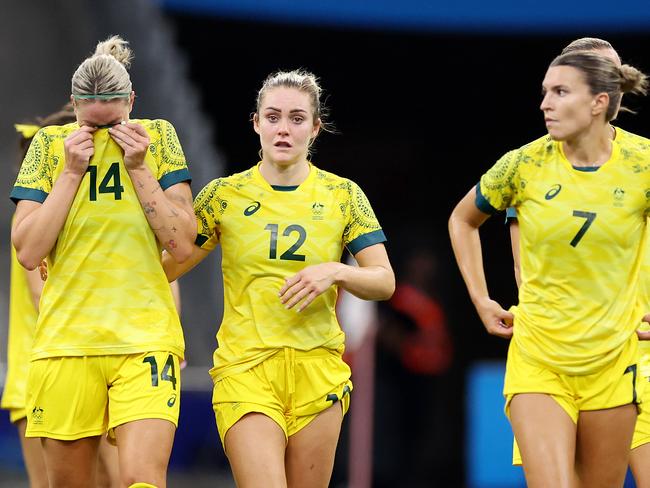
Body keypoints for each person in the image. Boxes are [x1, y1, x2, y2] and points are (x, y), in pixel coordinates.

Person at [163, 68, 395, 487]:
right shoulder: (223, 196)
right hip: (246, 368)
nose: (283, 129)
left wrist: (337, 271)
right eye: (272, 117)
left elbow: (384, 280)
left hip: (318, 369)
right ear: (255, 123)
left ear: (315, 128)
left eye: (296, 118)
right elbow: (166, 267)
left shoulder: (343, 195)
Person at [449, 49, 649, 487]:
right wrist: (481, 300)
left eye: (560, 92)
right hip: (539, 356)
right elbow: (462, 220)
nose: (545, 103)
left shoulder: (642, 164)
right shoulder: (524, 165)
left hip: (614, 359)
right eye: (544, 92)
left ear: (599, 102)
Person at [10, 35, 196, 488]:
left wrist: (139, 167)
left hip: (144, 340)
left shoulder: (160, 138)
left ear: (132, 101)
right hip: (67, 344)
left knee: (141, 481)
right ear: (73, 104)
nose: (102, 134)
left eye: (112, 122)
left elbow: (183, 243)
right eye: (91, 124)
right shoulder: (49, 146)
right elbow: (28, 251)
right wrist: (71, 172)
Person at [507, 38, 650, 488]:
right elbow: (523, 268)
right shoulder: (535, 165)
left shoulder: (640, 162)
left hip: (636, 353)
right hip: (568, 355)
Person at [3, 107, 120, 488]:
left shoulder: (90, 215)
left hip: (97, 366)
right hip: (46, 372)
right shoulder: (36, 222)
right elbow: (44, 295)